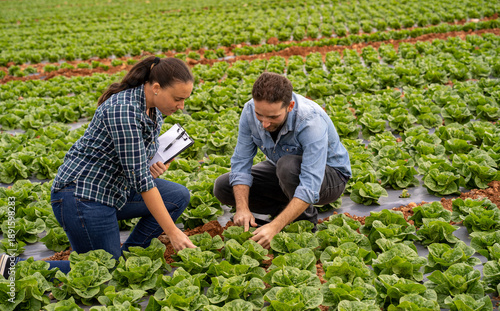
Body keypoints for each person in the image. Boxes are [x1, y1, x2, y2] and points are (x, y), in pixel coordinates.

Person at [1, 56, 196, 278]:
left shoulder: (153, 110)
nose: (181, 106)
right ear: (156, 88)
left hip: (114, 189)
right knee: (103, 269)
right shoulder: (125, 111)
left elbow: (137, 166)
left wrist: (153, 165)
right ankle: (14, 266)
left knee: (177, 196)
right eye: (178, 99)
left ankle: (128, 254)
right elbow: (142, 183)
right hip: (81, 196)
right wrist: (172, 232)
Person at [213, 72, 351, 249]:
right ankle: (285, 212)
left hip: (330, 177)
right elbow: (241, 163)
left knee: (288, 167)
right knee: (224, 186)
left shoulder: (310, 121)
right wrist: (242, 209)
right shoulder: (249, 111)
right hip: (282, 171)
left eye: (273, 117)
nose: (264, 123)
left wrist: (274, 227)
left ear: (290, 106)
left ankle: (305, 226)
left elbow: (310, 185)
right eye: (260, 115)